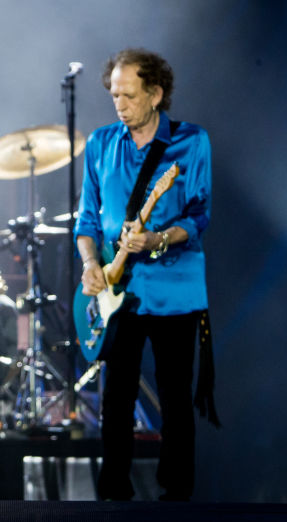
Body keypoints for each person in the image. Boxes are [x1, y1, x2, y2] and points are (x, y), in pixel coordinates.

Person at [74, 47, 216, 501]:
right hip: (119, 289)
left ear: (156, 94)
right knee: (115, 396)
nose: (119, 104)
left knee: (175, 396)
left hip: (174, 287)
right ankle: (113, 494)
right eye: (114, 95)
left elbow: (199, 216)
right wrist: (91, 264)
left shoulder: (191, 142)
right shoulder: (99, 143)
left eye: (129, 96)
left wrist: (158, 239)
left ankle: (177, 497)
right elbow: (86, 221)